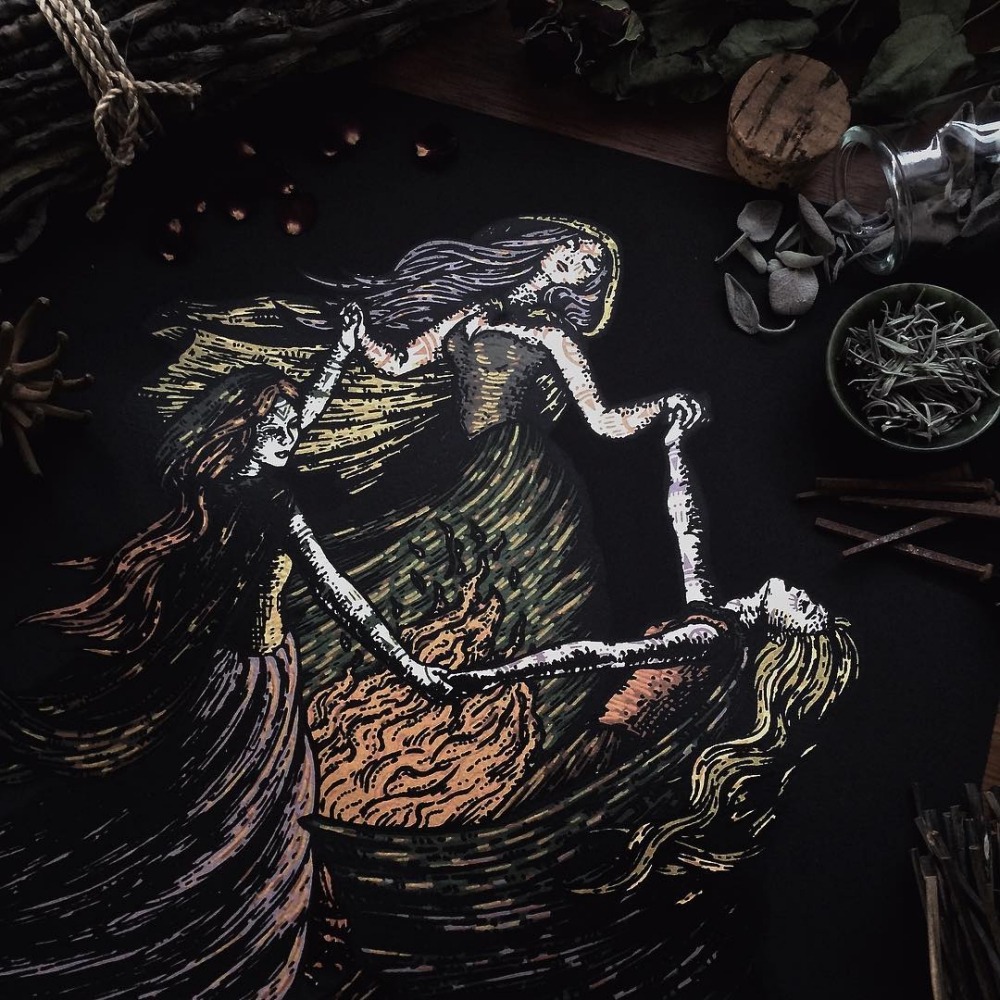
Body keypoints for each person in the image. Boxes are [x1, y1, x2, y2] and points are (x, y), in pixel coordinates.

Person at [0, 303, 449, 998]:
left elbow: (301, 420)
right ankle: (222, 928)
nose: (287, 434)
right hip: (248, 684)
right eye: (273, 424)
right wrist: (408, 664)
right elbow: (339, 594)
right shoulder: (265, 499)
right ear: (241, 429)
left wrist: (339, 350)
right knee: (247, 812)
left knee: (249, 807)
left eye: (289, 424)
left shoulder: (230, 487)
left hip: (246, 675)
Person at [307, 215, 674, 439]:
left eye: (588, 267)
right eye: (574, 247)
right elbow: (400, 363)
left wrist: (664, 405)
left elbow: (602, 421)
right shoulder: (475, 308)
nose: (576, 260)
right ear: (553, 243)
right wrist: (358, 335)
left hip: (501, 463)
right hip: (437, 440)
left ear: (582, 284)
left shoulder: (555, 335)